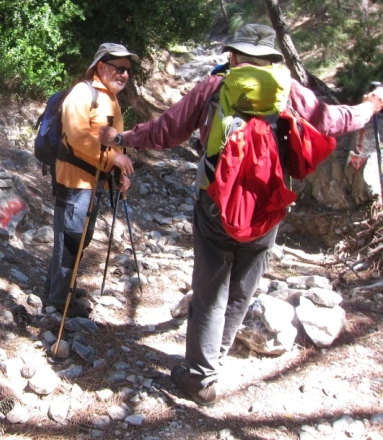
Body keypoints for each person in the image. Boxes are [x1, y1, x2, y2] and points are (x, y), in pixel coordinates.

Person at [98, 24, 383, 405]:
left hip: (216, 201)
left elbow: (165, 132)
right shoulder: (288, 91)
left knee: (210, 288)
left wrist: (121, 138)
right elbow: (336, 121)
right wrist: (372, 105)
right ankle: (213, 360)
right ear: (271, 59)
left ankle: (201, 376)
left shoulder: (215, 87)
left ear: (233, 55)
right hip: (270, 203)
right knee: (243, 287)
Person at [43, 43, 136, 318]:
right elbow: (77, 136)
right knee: (71, 239)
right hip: (75, 182)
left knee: (80, 238)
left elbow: (111, 140)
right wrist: (112, 161)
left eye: (128, 70)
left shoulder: (110, 98)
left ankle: (60, 288)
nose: (124, 75)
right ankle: (59, 302)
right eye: (119, 68)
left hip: (94, 181)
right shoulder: (83, 93)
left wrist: (119, 171)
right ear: (101, 66)